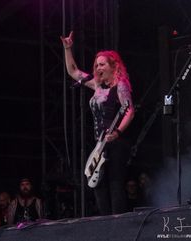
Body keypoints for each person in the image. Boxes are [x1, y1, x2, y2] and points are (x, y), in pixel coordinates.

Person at [60, 31, 134, 215]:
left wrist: (117, 131)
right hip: (99, 144)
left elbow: (130, 110)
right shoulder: (96, 85)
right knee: (97, 184)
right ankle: (105, 225)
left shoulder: (121, 84)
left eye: (102, 64)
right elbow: (73, 71)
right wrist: (68, 48)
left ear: (113, 66)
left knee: (115, 183)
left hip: (116, 142)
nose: (98, 67)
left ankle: (120, 226)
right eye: (96, 65)